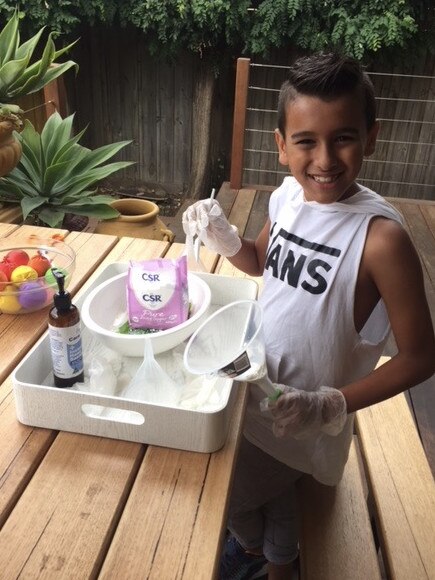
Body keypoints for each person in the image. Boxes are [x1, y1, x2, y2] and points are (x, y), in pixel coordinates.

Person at [182, 52, 435, 580]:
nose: (325, 159)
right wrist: (224, 236)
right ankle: (278, 559)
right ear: (280, 146)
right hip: (254, 390)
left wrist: (330, 404)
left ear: (371, 137)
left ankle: (254, 555)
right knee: (256, 492)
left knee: (220, 502)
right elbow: (260, 262)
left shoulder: (381, 240)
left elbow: (421, 356)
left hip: (302, 427)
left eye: (343, 137)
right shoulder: (287, 198)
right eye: (305, 141)